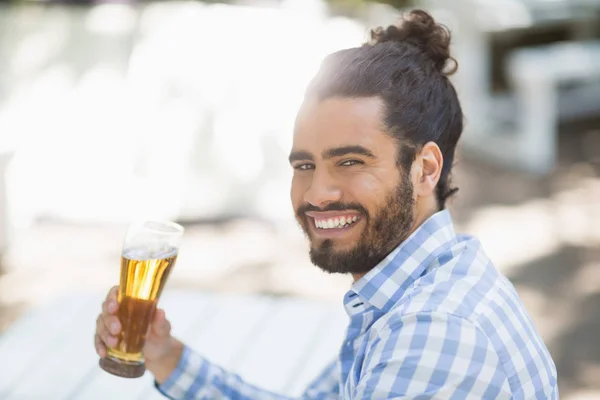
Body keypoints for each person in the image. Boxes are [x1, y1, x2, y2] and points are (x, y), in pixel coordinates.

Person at [94, 9, 558, 399]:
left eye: (351, 161)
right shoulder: (403, 293)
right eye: (304, 165)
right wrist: (166, 357)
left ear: (425, 169)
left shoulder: (433, 328)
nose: (316, 194)